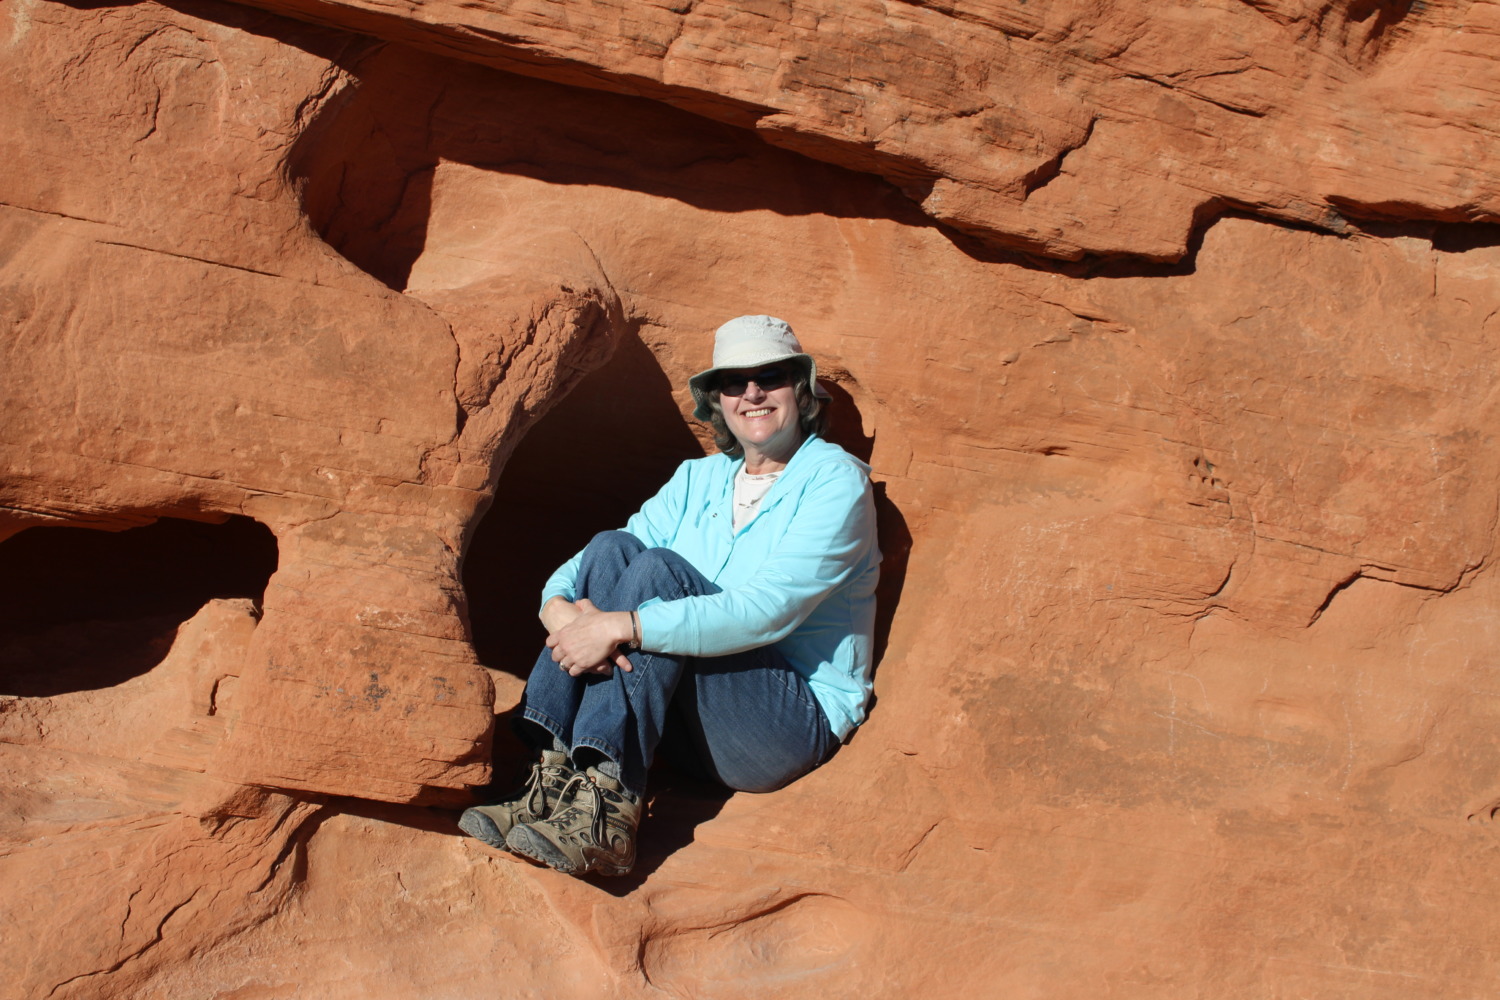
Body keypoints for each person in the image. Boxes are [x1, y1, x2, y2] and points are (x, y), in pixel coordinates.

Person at [459, 315, 881, 876]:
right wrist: (557, 607)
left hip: (783, 724)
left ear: (800, 392)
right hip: (685, 720)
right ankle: (554, 781)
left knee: (659, 572)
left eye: (770, 377)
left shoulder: (835, 481)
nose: (752, 393)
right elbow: (592, 561)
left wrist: (623, 626)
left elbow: (766, 612)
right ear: (717, 400)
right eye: (733, 382)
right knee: (614, 548)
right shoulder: (698, 479)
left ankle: (606, 813)